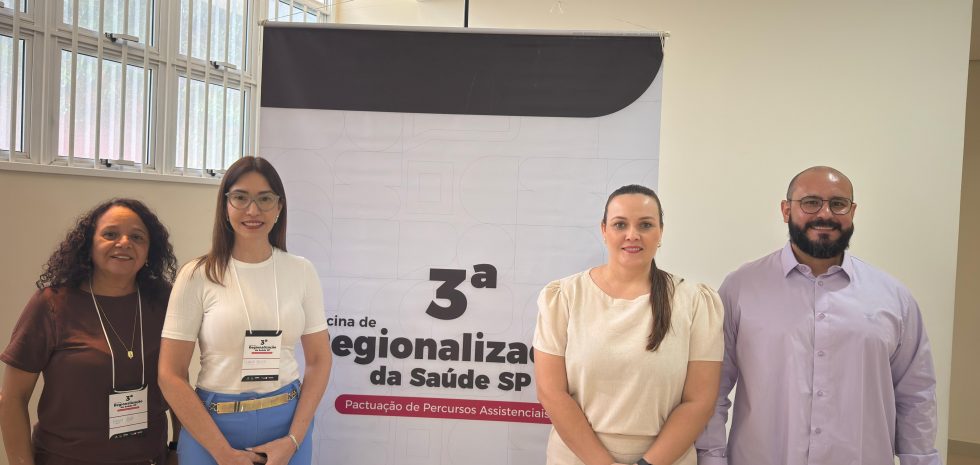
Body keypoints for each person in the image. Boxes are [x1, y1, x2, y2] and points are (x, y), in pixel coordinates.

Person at [695, 166, 940, 465]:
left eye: (838, 204)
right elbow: (711, 389)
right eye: (810, 202)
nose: (825, 213)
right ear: (786, 210)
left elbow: (916, 396)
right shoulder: (740, 288)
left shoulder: (893, 298)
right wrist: (711, 458)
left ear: (852, 211)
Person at [159, 156, 332, 465]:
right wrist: (222, 453)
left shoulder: (301, 271)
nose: (253, 210)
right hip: (213, 429)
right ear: (225, 205)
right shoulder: (197, 274)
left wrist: (293, 440)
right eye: (240, 198)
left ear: (279, 207)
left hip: (286, 426)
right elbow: (170, 375)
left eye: (265, 199)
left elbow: (319, 360)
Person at [534, 184, 723, 465]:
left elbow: (700, 401)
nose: (632, 235)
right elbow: (551, 393)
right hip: (576, 457)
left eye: (645, 225)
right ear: (604, 230)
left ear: (661, 232)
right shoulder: (563, 297)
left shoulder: (695, 302)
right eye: (620, 224)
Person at [0, 198, 179, 465]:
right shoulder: (52, 304)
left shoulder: (164, 301)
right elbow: (13, 398)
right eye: (110, 234)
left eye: (137, 237)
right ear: (89, 244)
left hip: (151, 459)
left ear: (149, 249)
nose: (124, 243)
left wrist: (178, 449)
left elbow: (178, 382)